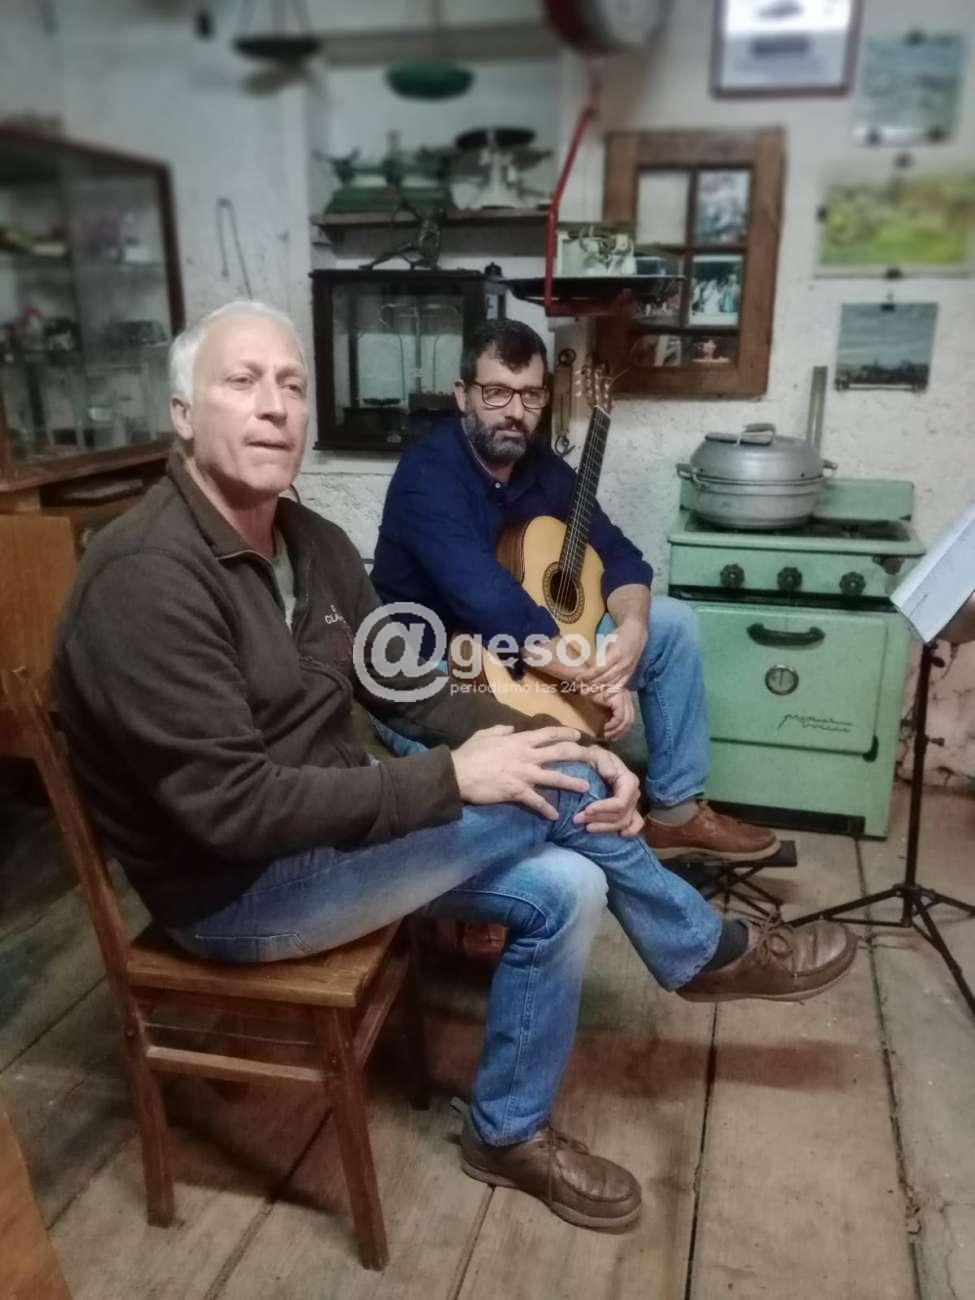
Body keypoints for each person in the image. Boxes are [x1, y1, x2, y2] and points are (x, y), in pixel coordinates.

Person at [54, 301, 855, 1234]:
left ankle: (507, 1133)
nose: (275, 405)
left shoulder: (311, 544)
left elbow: (413, 689)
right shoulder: (145, 576)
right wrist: (459, 778)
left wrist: (569, 745)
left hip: (330, 836)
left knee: (568, 883)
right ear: (184, 413)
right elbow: (230, 811)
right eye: (242, 382)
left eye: (292, 385)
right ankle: (701, 948)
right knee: (537, 796)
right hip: (234, 890)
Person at [372, 318, 776, 863]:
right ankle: (546, 859)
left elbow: (619, 552)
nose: (515, 412)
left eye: (530, 395)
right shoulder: (428, 476)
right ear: (463, 395)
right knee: (565, 769)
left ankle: (676, 814)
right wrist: (597, 679)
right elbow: (489, 602)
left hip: (522, 645)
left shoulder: (540, 465)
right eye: (496, 393)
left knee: (672, 623)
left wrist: (632, 629)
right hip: (439, 665)